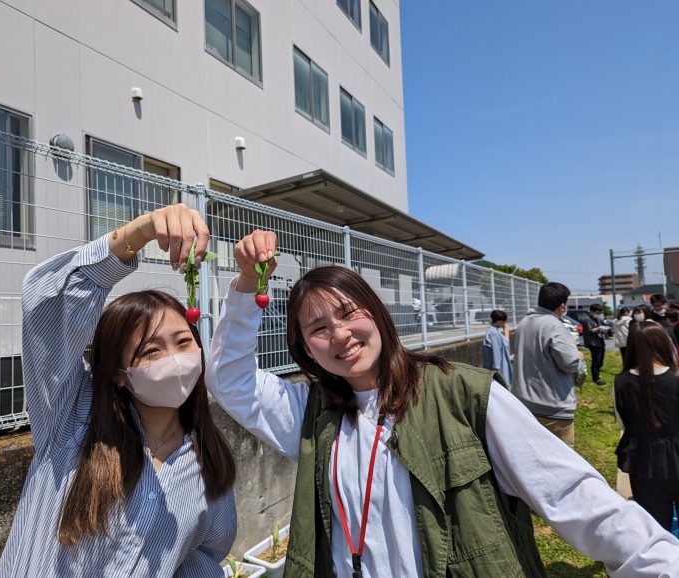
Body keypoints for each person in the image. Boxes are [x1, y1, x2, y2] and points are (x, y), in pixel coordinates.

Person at [206, 230, 679, 578]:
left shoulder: (464, 394)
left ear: (378, 313)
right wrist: (247, 285)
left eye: (349, 313)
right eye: (318, 328)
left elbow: (573, 494)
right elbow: (229, 379)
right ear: (307, 349)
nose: (340, 335)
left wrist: (656, 562)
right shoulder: (311, 414)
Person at [0, 205, 237, 577]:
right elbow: (48, 301)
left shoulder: (208, 463)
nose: (175, 361)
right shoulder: (72, 421)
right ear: (120, 374)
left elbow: (199, 560)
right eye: (151, 351)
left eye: (184, 342)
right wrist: (140, 232)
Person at [615, 320, 679, 532]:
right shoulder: (675, 378)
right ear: (664, 344)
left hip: (642, 460)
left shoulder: (621, 382)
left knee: (654, 528)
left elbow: (622, 423)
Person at [512, 282, 584, 447]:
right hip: (553, 408)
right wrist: (578, 357)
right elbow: (569, 363)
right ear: (562, 305)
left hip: (525, 405)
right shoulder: (554, 325)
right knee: (561, 463)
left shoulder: (525, 322)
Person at [482, 309, 512, 384]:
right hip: (498, 372)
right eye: (504, 321)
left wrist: (506, 332)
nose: (505, 323)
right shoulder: (493, 333)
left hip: (497, 370)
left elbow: (504, 345)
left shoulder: (495, 332)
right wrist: (496, 373)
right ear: (499, 321)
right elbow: (496, 354)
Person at [582, 304, 608, 386]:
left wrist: (604, 329)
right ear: (592, 311)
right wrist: (599, 328)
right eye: (598, 312)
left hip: (600, 341)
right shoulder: (587, 319)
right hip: (593, 343)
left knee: (600, 360)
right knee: (596, 361)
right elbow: (589, 331)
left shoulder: (598, 319)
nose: (599, 313)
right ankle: (596, 379)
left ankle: (597, 374)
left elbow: (600, 327)